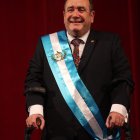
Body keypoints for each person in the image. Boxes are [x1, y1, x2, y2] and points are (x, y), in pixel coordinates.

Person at [25, 0, 134, 139]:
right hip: (56, 133)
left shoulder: (110, 43)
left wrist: (118, 109)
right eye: (70, 10)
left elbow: (123, 79)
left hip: (99, 132)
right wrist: (36, 111)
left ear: (92, 16)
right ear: (64, 15)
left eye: (81, 9)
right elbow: (33, 81)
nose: (75, 14)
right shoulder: (46, 44)